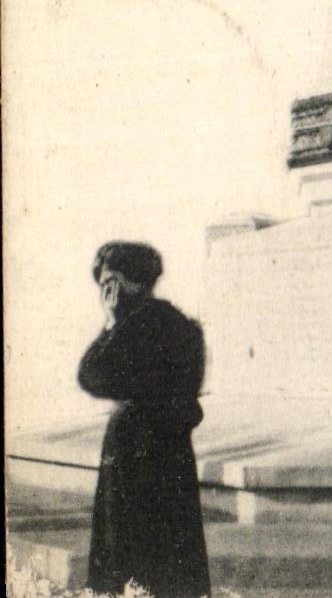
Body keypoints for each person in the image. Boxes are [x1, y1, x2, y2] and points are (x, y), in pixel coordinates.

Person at [77, 241, 211, 598]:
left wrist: (111, 323)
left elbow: (92, 375)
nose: (105, 292)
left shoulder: (141, 328)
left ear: (130, 282)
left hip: (138, 462)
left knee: (133, 565)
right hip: (165, 461)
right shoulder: (182, 326)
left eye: (111, 282)